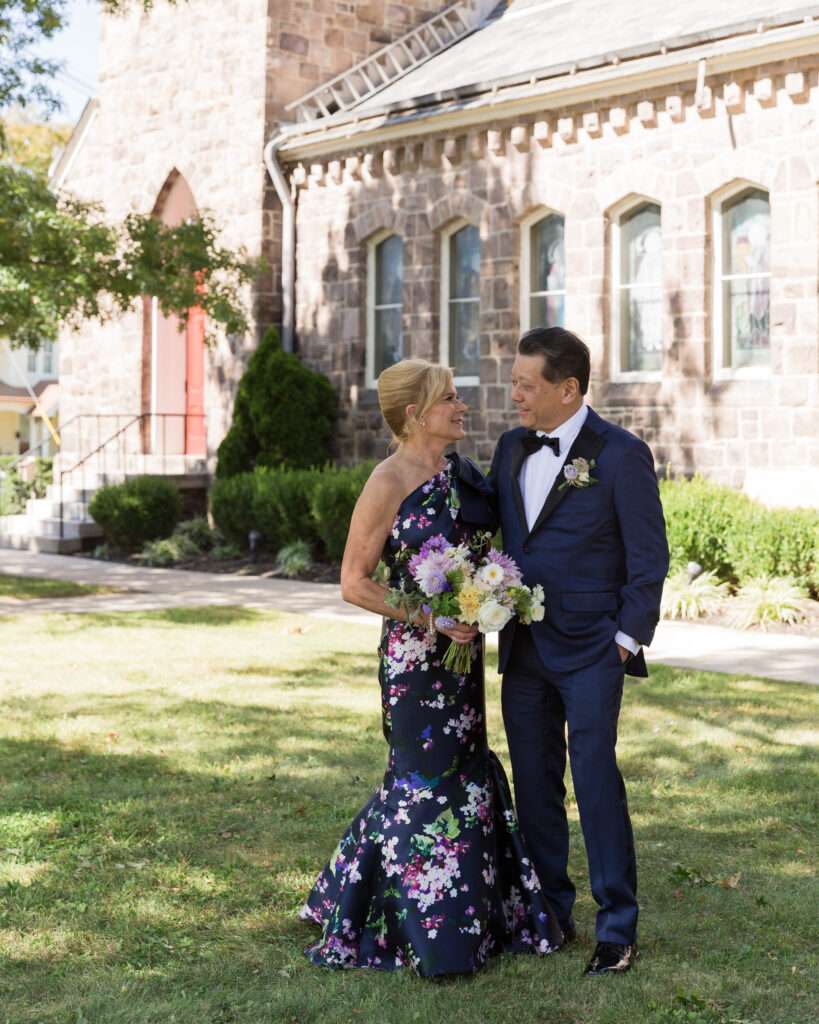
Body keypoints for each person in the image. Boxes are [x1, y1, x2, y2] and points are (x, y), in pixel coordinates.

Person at [299, 358, 564, 975]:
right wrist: (429, 618)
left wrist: (488, 601)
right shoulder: (387, 481)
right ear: (416, 413)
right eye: (449, 398)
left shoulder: (466, 475)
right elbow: (353, 583)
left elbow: (492, 554)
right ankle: (426, 928)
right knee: (421, 777)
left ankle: (477, 916)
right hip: (416, 662)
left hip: (462, 659)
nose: (462, 406)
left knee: (464, 771)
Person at [488, 327, 669, 976]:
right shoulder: (509, 447)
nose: (513, 395)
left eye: (525, 385)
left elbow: (648, 559)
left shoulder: (620, 456)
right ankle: (549, 915)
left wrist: (623, 642)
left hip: (593, 651)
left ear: (567, 390)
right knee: (534, 786)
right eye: (513, 382)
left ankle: (616, 927)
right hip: (523, 648)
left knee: (594, 784)